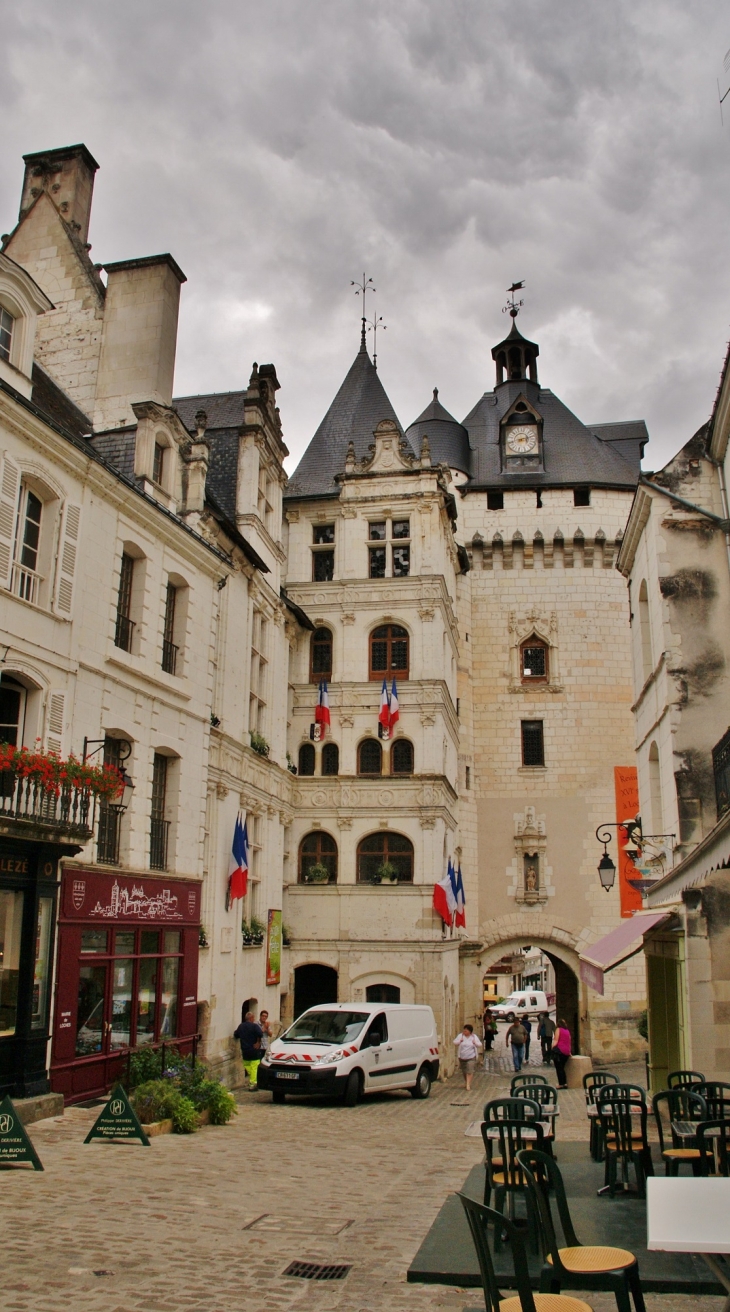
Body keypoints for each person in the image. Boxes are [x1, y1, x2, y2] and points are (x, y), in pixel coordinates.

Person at [234, 1011, 263, 1090]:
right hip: (254, 1049)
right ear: (251, 1018)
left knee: (247, 1065)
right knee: (254, 1067)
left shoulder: (241, 1026)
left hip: (245, 1050)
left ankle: (252, 1080)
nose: (254, 1019)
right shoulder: (254, 1026)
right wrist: (258, 1042)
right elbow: (260, 1033)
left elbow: (236, 1034)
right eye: (253, 1018)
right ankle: (253, 1084)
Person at [454, 1023, 483, 1091]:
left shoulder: (474, 1037)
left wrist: (475, 1043)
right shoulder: (460, 1036)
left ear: (470, 1031)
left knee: (469, 1070)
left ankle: (468, 1085)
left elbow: (479, 1044)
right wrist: (459, 1041)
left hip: (471, 1057)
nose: (464, 1032)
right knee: (464, 1071)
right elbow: (454, 1042)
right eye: (464, 1030)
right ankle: (466, 1082)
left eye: (466, 1031)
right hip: (462, 1057)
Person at [552, 1017, 572, 1088]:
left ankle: (561, 1084)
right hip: (566, 1052)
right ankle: (565, 1083)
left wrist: (552, 1047)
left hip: (560, 1051)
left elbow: (556, 1040)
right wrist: (569, 1051)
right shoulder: (567, 1031)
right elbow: (569, 1041)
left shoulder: (558, 1029)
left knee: (559, 1068)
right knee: (562, 1067)